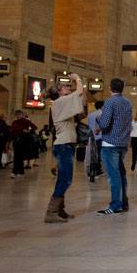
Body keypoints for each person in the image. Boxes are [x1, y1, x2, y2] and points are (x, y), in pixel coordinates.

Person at [45, 73, 85, 223]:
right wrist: (77, 78)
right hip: (63, 145)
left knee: (63, 178)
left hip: (65, 145)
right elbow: (79, 91)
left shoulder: (61, 103)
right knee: (66, 180)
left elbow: (81, 97)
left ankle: (60, 210)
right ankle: (51, 211)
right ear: (59, 92)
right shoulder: (60, 102)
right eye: (65, 87)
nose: (68, 88)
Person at [96, 78, 133, 215]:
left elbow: (105, 124)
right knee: (121, 173)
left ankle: (115, 205)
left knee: (113, 175)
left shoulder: (110, 102)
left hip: (110, 142)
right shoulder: (127, 102)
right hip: (123, 142)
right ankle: (123, 202)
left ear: (110, 88)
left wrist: (98, 123)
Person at [10, 110, 37, 178]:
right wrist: (9, 141)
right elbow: (12, 132)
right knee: (17, 156)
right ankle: (21, 171)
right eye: (17, 114)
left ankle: (15, 171)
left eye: (19, 114)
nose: (18, 116)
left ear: (22, 114)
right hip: (15, 141)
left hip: (23, 141)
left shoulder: (26, 121)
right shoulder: (14, 122)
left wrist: (28, 131)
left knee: (18, 156)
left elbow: (34, 127)